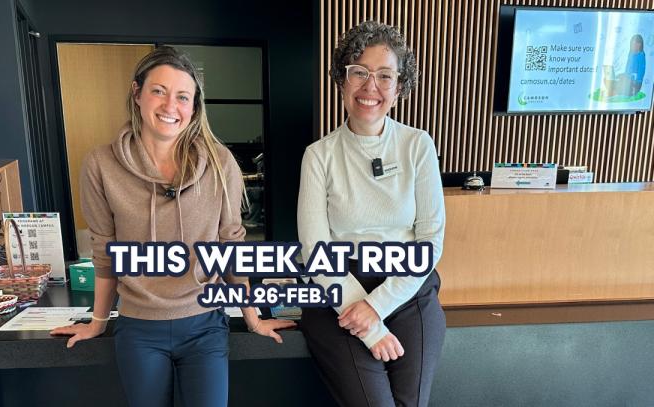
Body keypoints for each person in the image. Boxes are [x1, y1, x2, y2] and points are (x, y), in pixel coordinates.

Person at [51, 46, 294, 407]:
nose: (170, 107)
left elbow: (232, 249)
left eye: (183, 97)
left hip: (204, 326)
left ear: (194, 107)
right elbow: (105, 255)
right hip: (139, 329)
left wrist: (253, 318)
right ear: (137, 94)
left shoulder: (219, 161)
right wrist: (98, 321)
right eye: (158, 91)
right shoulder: (100, 164)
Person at [298, 21, 446, 407]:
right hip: (337, 292)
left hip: (408, 287)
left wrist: (377, 307)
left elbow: (430, 239)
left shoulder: (418, 145)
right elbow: (317, 249)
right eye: (359, 72)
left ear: (399, 88)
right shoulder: (319, 156)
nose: (370, 86)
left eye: (384, 75)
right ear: (342, 81)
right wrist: (369, 326)